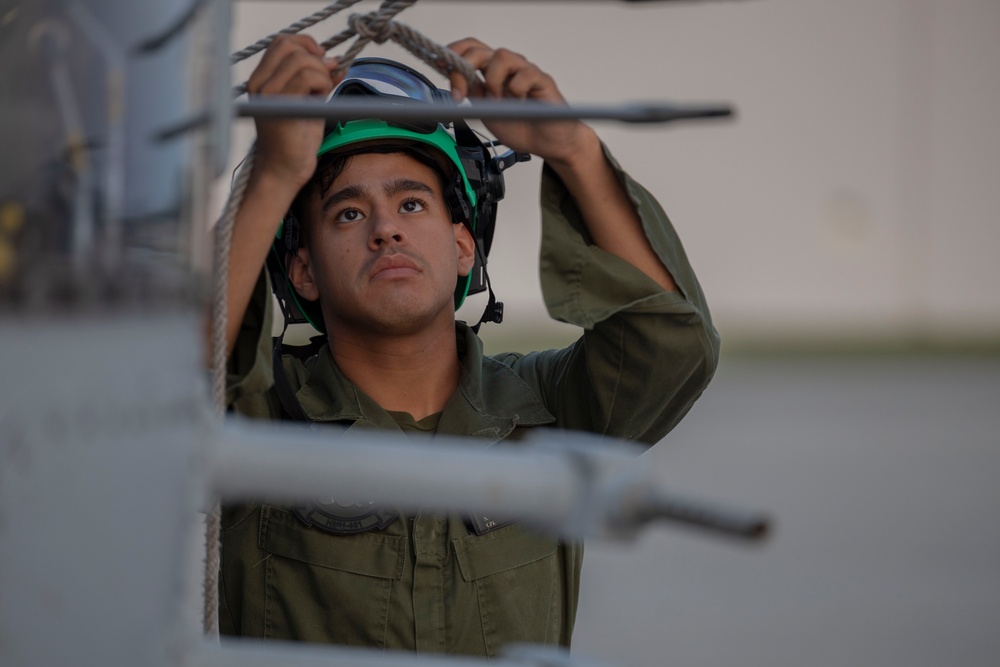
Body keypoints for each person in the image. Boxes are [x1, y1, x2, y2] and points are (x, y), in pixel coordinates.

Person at [219, 34, 719, 657]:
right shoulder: (260, 421)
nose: (386, 229)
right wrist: (275, 174)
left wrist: (571, 148)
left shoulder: (548, 412)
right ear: (303, 272)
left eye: (411, 201)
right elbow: (165, 389)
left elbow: (672, 344)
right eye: (348, 213)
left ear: (462, 248)